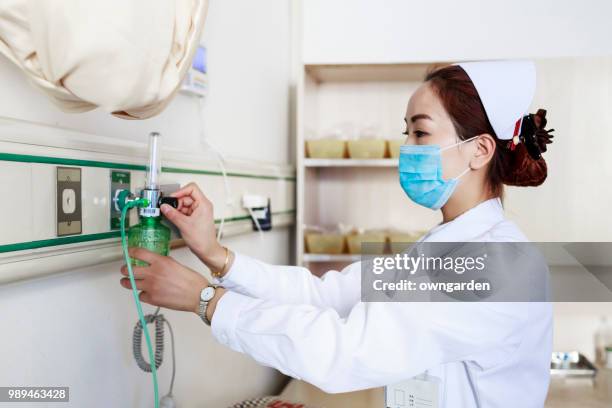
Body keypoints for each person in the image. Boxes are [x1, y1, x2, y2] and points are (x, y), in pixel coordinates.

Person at [119, 60, 555, 407]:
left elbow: (347, 350)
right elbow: (328, 296)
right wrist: (216, 255)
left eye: (421, 132)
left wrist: (205, 300)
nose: (406, 149)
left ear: (479, 149)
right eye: (407, 133)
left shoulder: (495, 263)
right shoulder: (443, 246)